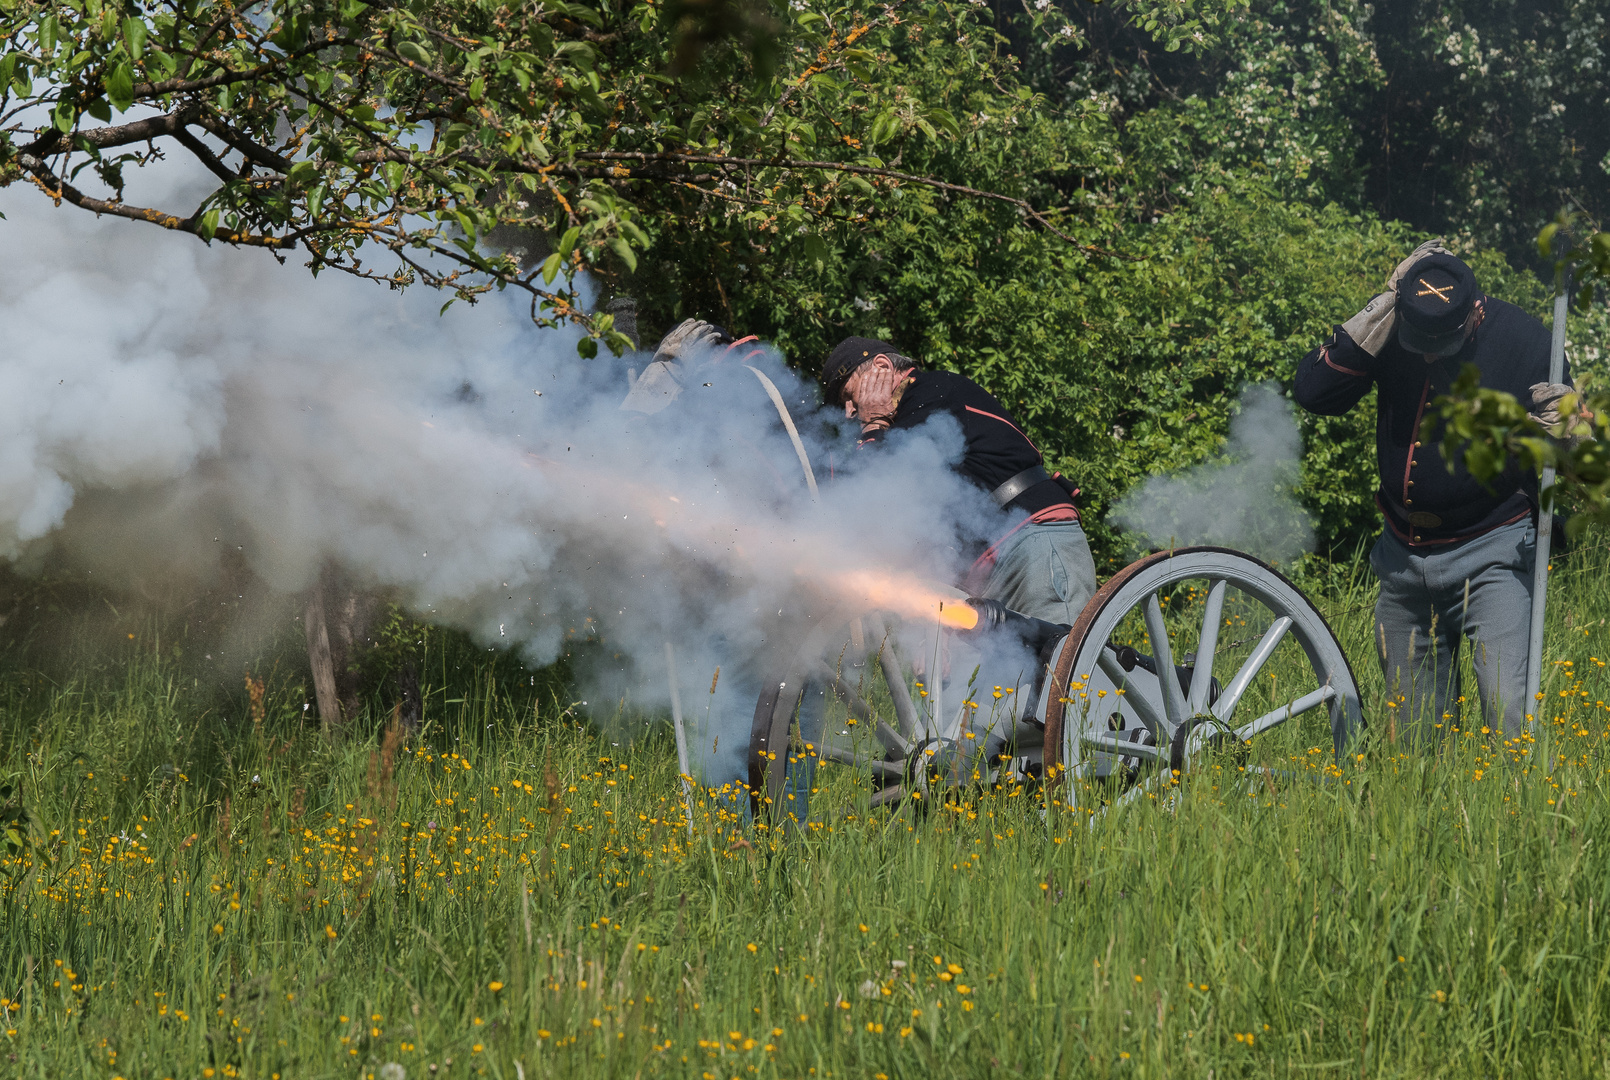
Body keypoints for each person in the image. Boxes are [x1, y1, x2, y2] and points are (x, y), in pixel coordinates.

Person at [1294, 242, 1571, 744]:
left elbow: (1574, 460)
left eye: (1436, 343)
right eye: (1416, 337)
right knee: (1414, 740)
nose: (1423, 353)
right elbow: (1313, 393)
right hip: (1402, 557)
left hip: (1494, 551)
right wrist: (1377, 314)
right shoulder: (1394, 327)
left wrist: (1570, 432)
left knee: (1510, 722)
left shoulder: (1529, 341)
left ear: (1476, 313)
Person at [821, 337, 1098, 762]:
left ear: (880, 367)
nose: (849, 412)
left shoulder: (932, 392)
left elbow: (881, 497)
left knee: (1062, 695)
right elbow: (920, 530)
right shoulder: (913, 418)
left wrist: (874, 423)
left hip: (1032, 541)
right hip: (983, 573)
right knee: (977, 715)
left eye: (848, 395)